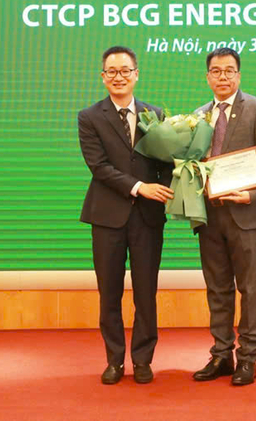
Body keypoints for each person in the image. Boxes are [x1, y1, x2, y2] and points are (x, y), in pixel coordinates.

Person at [77, 46, 174, 385]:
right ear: (103, 77)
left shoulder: (156, 115)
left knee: (146, 292)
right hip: (107, 218)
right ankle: (115, 360)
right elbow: (99, 167)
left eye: (125, 70)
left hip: (148, 218)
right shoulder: (89, 117)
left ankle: (143, 359)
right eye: (112, 71)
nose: (119, 77)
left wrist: (168, 188)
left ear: (136, 74)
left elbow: (165, 164)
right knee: (110, 292)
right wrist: (139, 187)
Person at [192, 47, 256, 386]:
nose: (223, 77)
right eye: (216, 71)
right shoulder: (198, 115)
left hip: (246, 212)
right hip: (210, 215)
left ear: (239, 75)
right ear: (208, 77)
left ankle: (248, 358)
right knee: (217, 289)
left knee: (249, 288)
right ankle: (221, 354)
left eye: (229, 71)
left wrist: (252, 193)